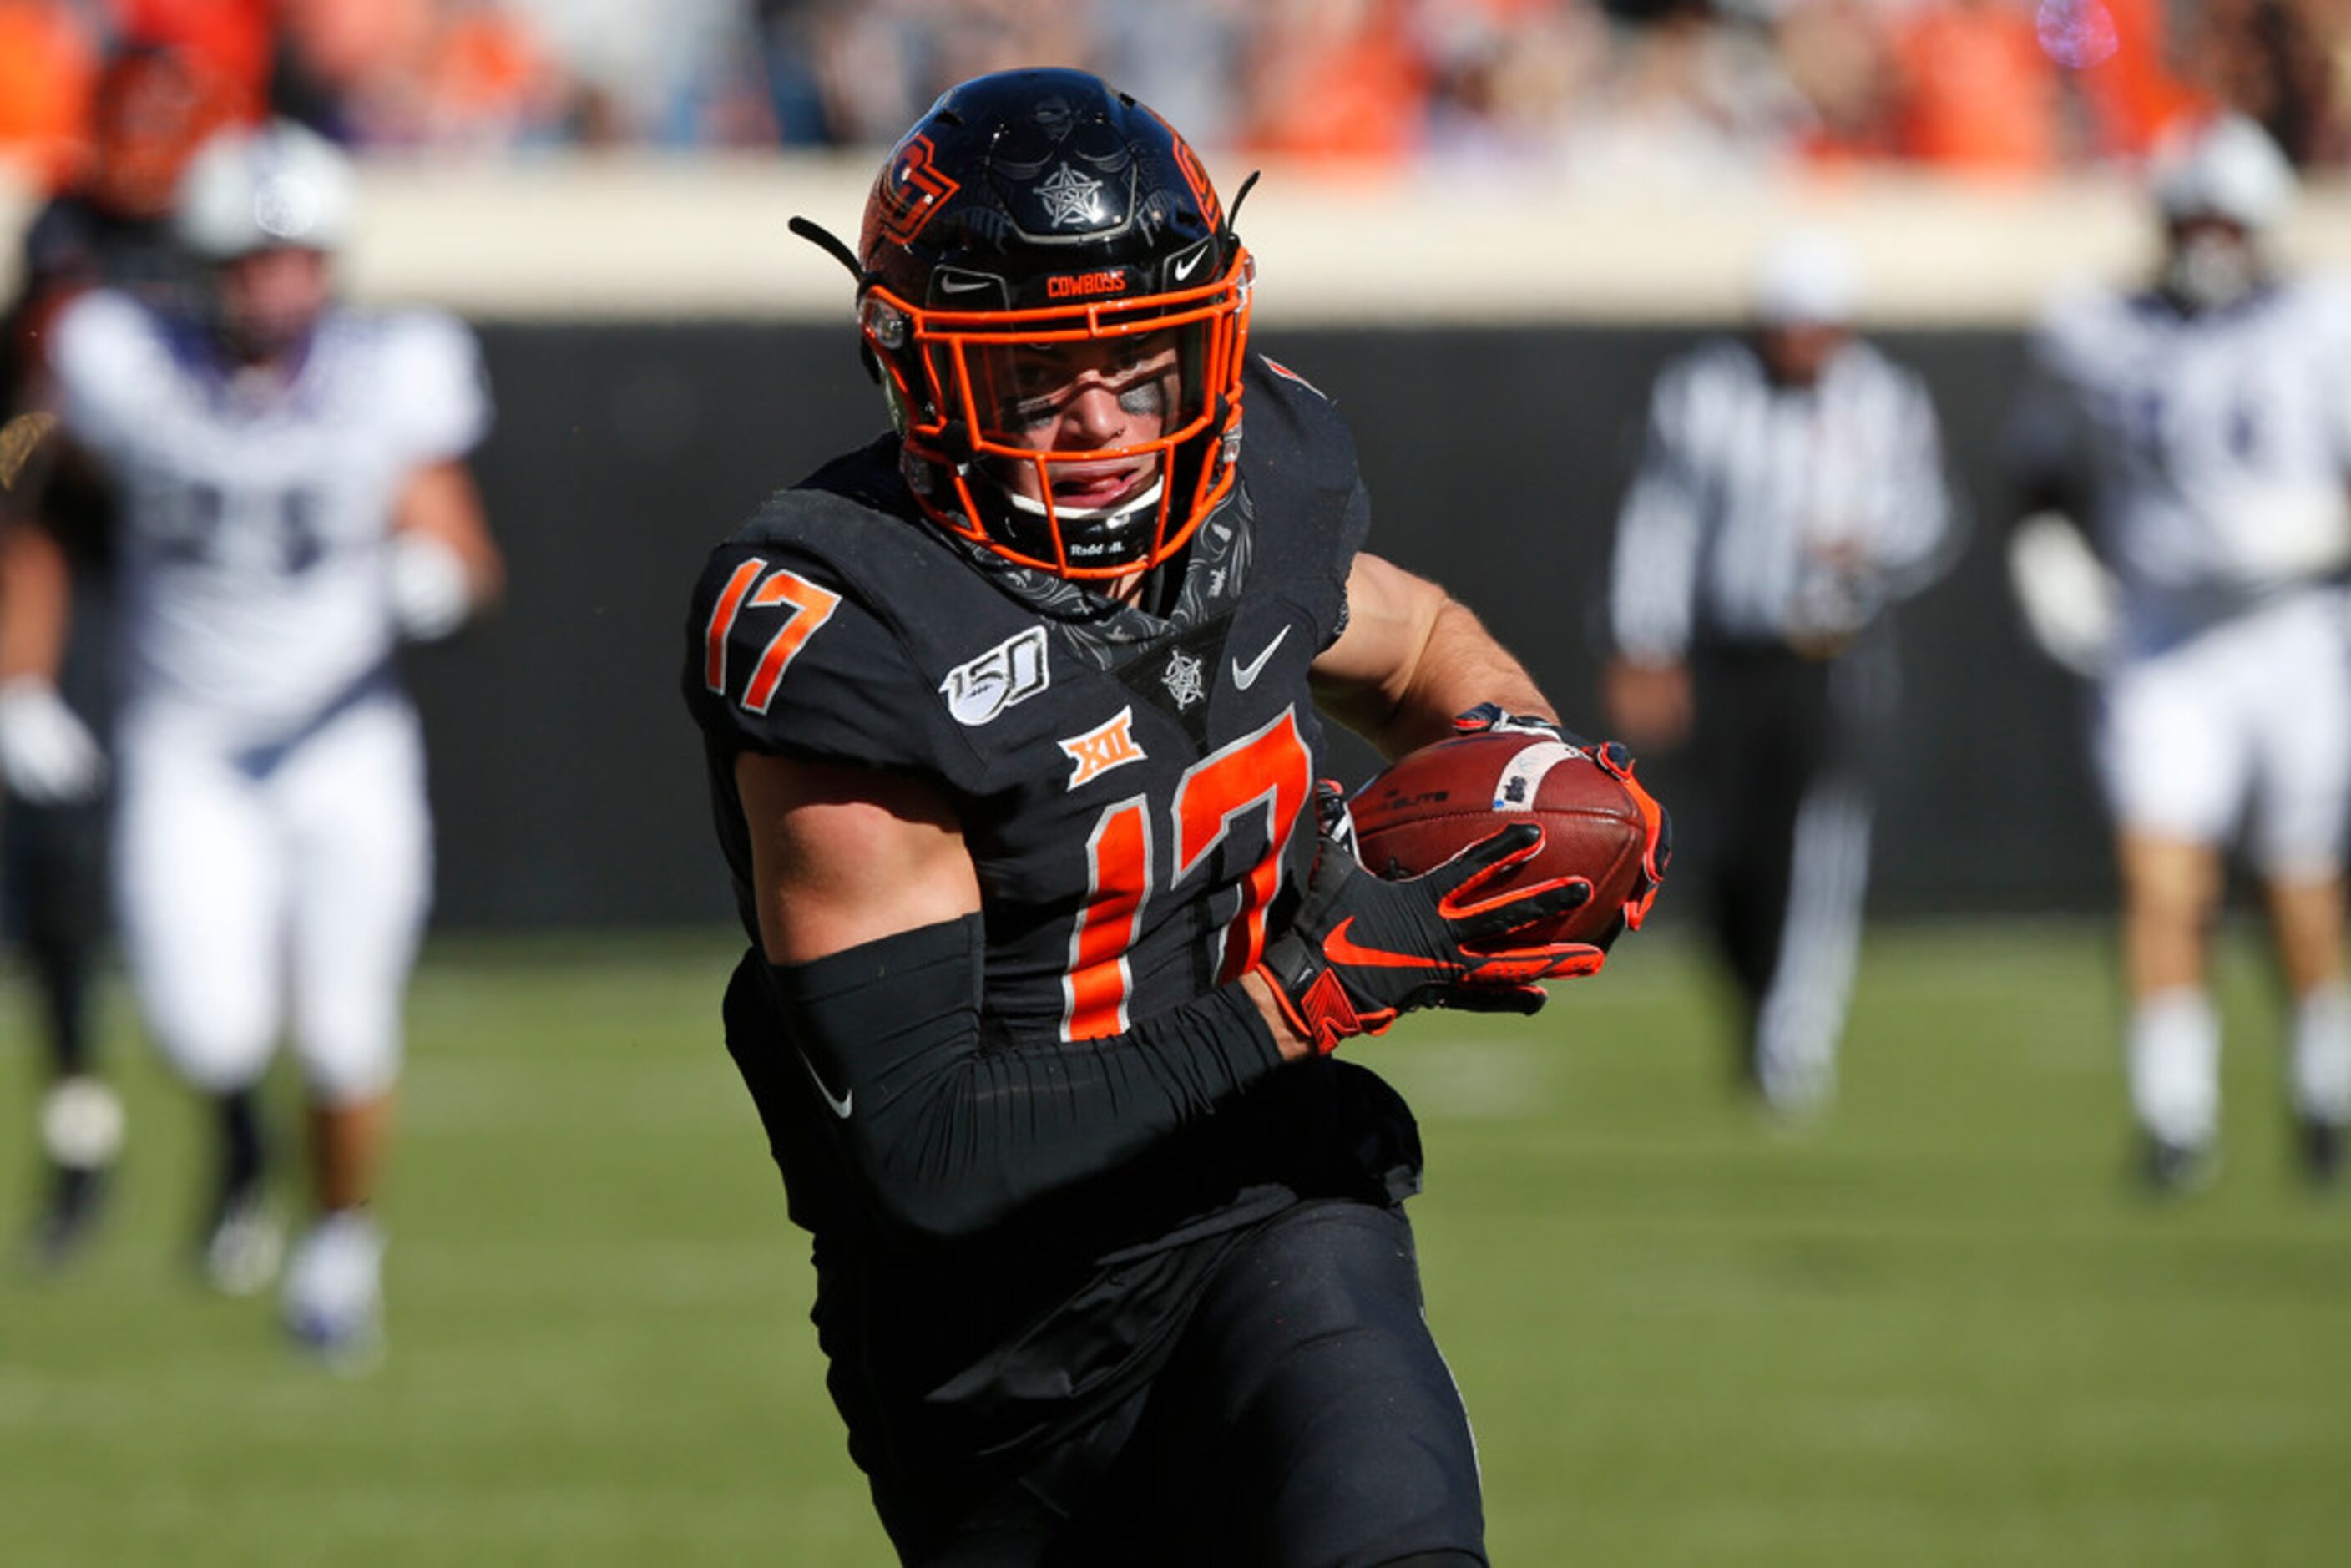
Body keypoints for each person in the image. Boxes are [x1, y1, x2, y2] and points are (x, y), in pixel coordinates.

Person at [682, 68, 1666, 1565]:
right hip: (994, 1346)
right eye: (1033, 377)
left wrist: (1530, 776)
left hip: (1271, 1209)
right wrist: (1301, 994)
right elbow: (934, 1149)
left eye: (1139, 363)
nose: (1100, 423)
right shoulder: (849, 620)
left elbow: (1410, 644)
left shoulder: (1260, 478)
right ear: (919, 370)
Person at [0, 118, 505, 1355]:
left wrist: (432, 571)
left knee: (344, 1032)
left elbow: (459, 535)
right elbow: (32, 481)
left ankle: (339, 1245)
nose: (273, 286)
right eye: (247, 262)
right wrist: (20, 670)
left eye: (295, 262)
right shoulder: (120, 360)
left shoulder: (393, 371)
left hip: (343, 740)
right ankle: (251, 1157)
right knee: (203, 1023)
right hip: (191, 741)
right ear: (200, 261)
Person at [2005, 114, 2351, 1192]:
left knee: (2298, 886)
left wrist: (2318, 529)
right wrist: (2049, 556)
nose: (2207, 240)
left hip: (2291, 630)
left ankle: (2323, 1086)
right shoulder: (2095, 327)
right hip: (2162, 637)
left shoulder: (2323, 321)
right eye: (2191, 217)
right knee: (2161, 878)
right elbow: (2040, 469)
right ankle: (2174, 1115)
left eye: (2225, 219)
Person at [1603, 232, 1957, 1116]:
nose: (1801, 346)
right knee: (1718, 846)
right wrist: (1644, 640)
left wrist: (1872, 546)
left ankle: (1794, 1038)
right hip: (1724, 649)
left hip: (1826, 655)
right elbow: (1658, 522)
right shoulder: (1702, 393)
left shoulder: (1885, 399)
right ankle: (1756, 1004)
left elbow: (1930, 516)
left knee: (1818, 838)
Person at [0, 41, 243, 1269]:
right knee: (55, 861)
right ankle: (83, 1129)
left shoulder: (232, 223)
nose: (151, 144)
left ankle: (243, 1141)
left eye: (171, 118)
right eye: (131, 120)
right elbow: (31, 428)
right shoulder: (65, 235)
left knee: (211, 880)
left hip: (210, 578)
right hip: (88, 558)